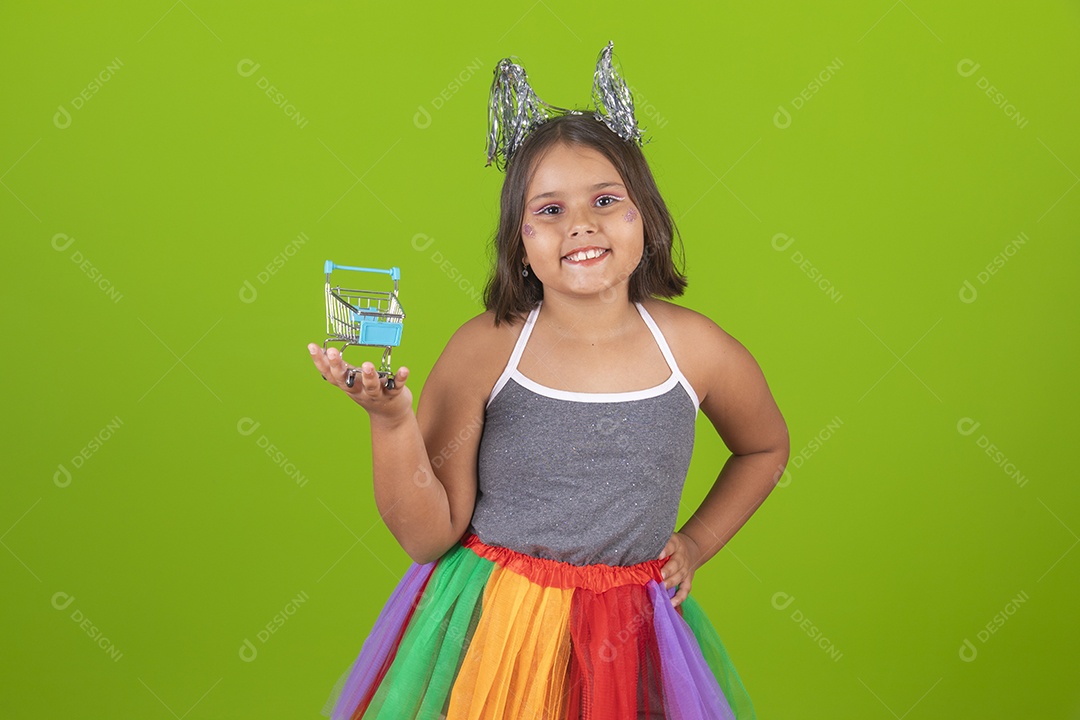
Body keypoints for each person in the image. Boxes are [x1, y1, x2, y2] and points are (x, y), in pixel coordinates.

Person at [308, 44, 788, 720]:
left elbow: (764, 447)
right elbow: (426, 536)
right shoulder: (486, 349)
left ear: (645, 217)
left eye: (605, 200)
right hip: (499, 634)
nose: (581, 224)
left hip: (631, 633)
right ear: (520, 241)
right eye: (550, 210)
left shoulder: (696, 349)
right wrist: (390, 421)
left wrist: (697, 542)